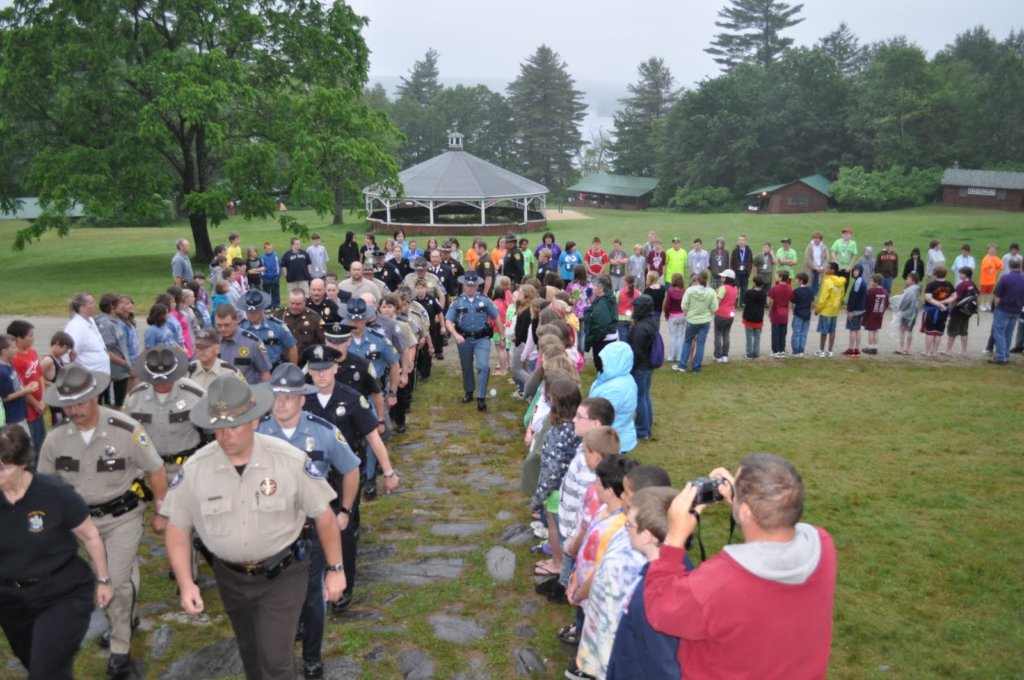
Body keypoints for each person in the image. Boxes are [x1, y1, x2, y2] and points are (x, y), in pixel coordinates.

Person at [162, 375, 344, 680]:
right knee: (251, 655)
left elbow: (323, 516)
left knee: (275, 660)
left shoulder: (288, 460)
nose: (225, 436)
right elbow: (177, 529)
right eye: (218, 427)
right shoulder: (196, 469)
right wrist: (186, 582)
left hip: (283, 575)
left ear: (254, 421)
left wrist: (335, 569)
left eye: (234, 425)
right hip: (230, 577)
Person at [645, 454, 837, 679]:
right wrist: (745, 502)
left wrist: (673, 541)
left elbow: (660, 609)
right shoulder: (822, 546)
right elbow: (776, 527)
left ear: (745, 511)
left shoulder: (718, 583)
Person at [37, 363, 168, 679]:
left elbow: (156, 468)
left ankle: (120, 645)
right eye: (68, 404)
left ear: (95, 396)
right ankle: (128, 617)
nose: (73, 410)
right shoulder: (56, 439)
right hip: (83, 524)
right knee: (119, 572)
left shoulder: (126, 429)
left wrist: (161, 510)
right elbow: (44, 485)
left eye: (80, 402)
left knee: (115, 580)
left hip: (123, 516)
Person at [256, 363, 360, 679]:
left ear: (303, 399)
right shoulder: (257, 433)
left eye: (289, 397)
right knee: (273, 595)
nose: (281, 403)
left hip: (310, 528)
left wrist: (344, 510)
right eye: (276, 396)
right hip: (270, 529)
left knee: (313, 595)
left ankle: (312, 655)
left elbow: (351, 469)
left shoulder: (323, 432)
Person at [0, 425, 114, 680]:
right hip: (10, 599)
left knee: (43, 672)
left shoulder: (55, 494)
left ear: (22, 464)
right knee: (39, 665)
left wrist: (104, 579)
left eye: (3, 468)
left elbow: (90, 536)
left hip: (61, 593)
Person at [304, 344, 400, 600]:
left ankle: (343, 584)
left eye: (326, 368)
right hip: (309, 476)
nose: (321, 374)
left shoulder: (350, 398)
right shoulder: (301, 400)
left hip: (343, 475)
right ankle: (314, 582)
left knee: (343, 529)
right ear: (309, 371)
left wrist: (388, 472)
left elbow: (372, 436)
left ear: (336, 368)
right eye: (316, 369)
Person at [606, 486, 683, 680]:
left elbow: (662, 666)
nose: (626, 527)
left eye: (629, 524)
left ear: (647, 536)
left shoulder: (651, 598)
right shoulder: (680, 566)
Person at [125, 347, 205, 472]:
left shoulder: (195, 395)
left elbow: (210, 431)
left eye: (166, 379)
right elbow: (126, 435)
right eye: (156, 380)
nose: (161, 384)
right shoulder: (135, 398)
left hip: (187, 468)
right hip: (149, 471)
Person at [445, 271, 500, 411]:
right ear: (463, 285)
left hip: (482, 339)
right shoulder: (457, 302)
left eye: (473, 285)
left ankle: (481, 397)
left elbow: (497, 317)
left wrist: (503, 336)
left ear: (477, 286)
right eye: (468, 285)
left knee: (483, 366)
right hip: (464, 339)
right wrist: (455, 335)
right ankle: (469, 391)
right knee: (467, 366)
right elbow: (448, 321)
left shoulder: (485, 301)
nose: (470, 288)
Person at [588, 341, 637, 453]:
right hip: (619, 434)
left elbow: (599, 415)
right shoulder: (624, 378)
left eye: (606, 359)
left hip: (609, 440)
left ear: (615, 361)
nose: (602, 362)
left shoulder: (614, 389)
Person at [5, 321, 44, 451]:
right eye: (30, 335)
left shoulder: (32, 352)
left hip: (39, 407)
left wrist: (42, 399)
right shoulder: (15, 361)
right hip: (28, 411)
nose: (33, 338)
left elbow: (40, 375)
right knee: (30, 447)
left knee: (41, 444)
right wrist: (36, 404)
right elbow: (19, 387)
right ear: (18, 338)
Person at [213, 303, 272, 383]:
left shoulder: (252, 343)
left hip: (248, 389)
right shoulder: (213, 342)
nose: (222, 329)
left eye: (226, 325)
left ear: (237, 320)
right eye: (219, 325)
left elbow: (265, 374)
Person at [238, 289, 298, 368]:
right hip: (250, 370)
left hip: (274, 369)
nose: (252, 314)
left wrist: (292, 369)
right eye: (249, 311)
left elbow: (292, 347)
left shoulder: (277, 326)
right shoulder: (240, 328)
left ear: (263, 309)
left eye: (255, 311)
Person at [629, 295, 659, 441]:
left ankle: (642, 430)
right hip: (648, 365)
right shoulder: (651, 322)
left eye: (635, 307)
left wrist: (630, 367)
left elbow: (637, 351)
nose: (633, 310)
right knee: (645, 396)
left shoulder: (641, 328)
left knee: (640, 398)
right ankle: (647, 427)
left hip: (641, 366)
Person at [677, 270, 718, 373]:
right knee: (701, 344)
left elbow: (683, 306)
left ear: (698, 279)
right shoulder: (711, 292)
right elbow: (715, 308)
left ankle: (682, 365)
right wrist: (708, 312)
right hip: (705, 321)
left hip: (692, 320)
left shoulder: (690, 291)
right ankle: (696, 367)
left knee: (687, 342)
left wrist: (689, 311)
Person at [0, 335, 37, 437]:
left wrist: (26, 387)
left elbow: (15, 387)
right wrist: (24, 392)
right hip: (12, 418)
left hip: (20, 413)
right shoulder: (2, 372)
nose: (16, 349)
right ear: (4, 351)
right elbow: (3, 398)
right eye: (13, 347)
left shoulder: (10, 364)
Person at [64, 292, 110, 374]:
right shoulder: (77, 328)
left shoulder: (90, 320)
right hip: (87, 375)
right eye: (91, 303)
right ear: (82, 308)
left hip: (100, 374)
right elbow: (68, 354)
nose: (95, 305)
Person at [991, 257, 1024, 364]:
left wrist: (996, 307)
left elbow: (997, 296)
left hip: (1003, 308)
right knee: (1009, 332)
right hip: (1017, 309)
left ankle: (1001, 356)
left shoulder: (1005, 278)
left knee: (999, 332)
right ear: (1020, 265)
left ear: (1009, 265)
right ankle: (1005, 355)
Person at [583, 275, 618, 373]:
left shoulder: (603, 304)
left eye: (595, 286)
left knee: (602, 366)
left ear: (601, 289)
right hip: (607, 337)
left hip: (603, 340)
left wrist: (594, 338)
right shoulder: (607, 298)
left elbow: (601, 325)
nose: (593, 288)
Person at [921, 265, 956, 358]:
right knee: (938, 332)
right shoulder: (949, 284)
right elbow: (954, 296)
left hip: (932, 311)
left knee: (930, 331)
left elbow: (928, 298)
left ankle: (928, 352)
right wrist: (944, 302)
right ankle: (934, 352)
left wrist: (938, 304)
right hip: (944, 311)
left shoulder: (931, 284)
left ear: (935, 274)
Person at [943, 267, 978, 357]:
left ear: (965, 274)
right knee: (964, 331)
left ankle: (948, 350)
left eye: (961, 273)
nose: (959, 275)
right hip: (967, 312)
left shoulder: (962, 285)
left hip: (958, 311)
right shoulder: (972, 284)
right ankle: (964, 351)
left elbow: (956, 299)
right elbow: (977, 294)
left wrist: (950, 310)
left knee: (952, 331)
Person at [814, 263, 846, 358]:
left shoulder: (827, 281)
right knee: (832, 331)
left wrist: (818, 309)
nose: (825, 269)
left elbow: (823, 298)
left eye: (827, 268)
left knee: (824, 331)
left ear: (832, 270)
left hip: (826, 310)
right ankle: (830, 351)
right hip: (834, 310)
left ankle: (821, 350)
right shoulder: (841, 281)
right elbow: (841, 294)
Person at [713, 269, 737, 363]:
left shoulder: (723, 288)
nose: (721, 278)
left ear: (728, 278)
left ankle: (718, 355)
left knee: (718, 334)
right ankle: (725, 355)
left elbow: (717, 302)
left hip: (721, 314)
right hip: (730, 315)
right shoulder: (735, 288)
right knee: (726, 334)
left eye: (723, 277)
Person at [895, 272, 922, 356]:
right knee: (910, 330)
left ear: (914, 281)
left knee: (902, 329)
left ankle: (901, 347)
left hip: (907, 312)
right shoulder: (917, 289)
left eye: (908, 279)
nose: (906, 280)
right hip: (914, 312)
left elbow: (906, 301)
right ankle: (908, 348)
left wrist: (900, 308)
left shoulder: (910, 290)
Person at [862, 273, 889, 356]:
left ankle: (870, 347)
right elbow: (886, 304)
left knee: (870, 330)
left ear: (876, 283)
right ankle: (875, 347)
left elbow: (866, 302)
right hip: (879, 313)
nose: (870, 283)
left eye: (872, 281)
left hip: (871, 313)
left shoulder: (870, 291)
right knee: (876, 330)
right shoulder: (885, 292)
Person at [843, 265, 867, 357]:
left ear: (860, 271)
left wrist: (850, 310)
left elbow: (854, 297)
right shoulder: (862, 281)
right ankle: (857, 350)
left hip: (855, 310)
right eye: (854, 270)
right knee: (858, 329)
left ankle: (851, 350)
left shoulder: (858, 282)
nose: (854, 272)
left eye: (857, 270)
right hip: (861, 309)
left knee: (853, 329)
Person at [768, 270, 793, 358]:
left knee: (775, 333)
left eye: (777, 276)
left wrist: (769, 312)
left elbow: (771, 302)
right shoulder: (789, 288)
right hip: (785, 314)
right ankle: (782, 350)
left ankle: (775, 351)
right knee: (783, 333)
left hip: (776, 313)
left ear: (781, 278)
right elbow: (790, 301)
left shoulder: (775, 288)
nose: (775, 277)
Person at [741, 275, 767, 359]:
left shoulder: (749, 292)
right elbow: (764, 304)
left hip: (749, 317)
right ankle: (756, 353)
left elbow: (744, 303)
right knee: (757, 337)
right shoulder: (764, 293)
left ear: (754, 283)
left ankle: (749, 353)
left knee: (749, 337)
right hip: (759, 318)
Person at [663, 273, 686, 364]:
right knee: (680, 336)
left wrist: (666, 315)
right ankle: (679, 356)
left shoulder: (670, 291)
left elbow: (667, 305)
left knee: (673, 336)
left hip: (672, 316)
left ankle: (671, 356)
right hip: (682, 315)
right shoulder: (684, 291)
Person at [803, 231, 828, 298]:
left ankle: (814, 298)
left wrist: (822, 267)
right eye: (815, 238)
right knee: (808, 284)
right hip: (810, 269)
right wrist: (815, 267)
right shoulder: (809, 247)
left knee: (817, 284)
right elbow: (807, 258)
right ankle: (808, 298)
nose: (816, 240)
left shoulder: (824, 247)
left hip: (820, 269)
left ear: (820, 239)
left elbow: (826, 258)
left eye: (817, 238)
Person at [979, 243, 1002, 311]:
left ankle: (987, 303)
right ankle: (982, 304)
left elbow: (1000, 266)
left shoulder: (996, 258)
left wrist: (995, 259)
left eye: (994, 250)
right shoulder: (985, 258)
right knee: (983, 293)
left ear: (996, 251)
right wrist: (990, 262)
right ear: (988, 250)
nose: (992, 251)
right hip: (984, 280)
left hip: (992, 280)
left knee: (990, 292)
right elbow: (984, 267)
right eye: (991, 249)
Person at [730, 235, 753, 305]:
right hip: (736, 274)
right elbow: (732, 262)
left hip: (745, 274)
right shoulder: (735, 251)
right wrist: (732, 273)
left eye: (742, 240)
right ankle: (734, 303)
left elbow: (750, 262)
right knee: (735, 289)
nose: (740, 241)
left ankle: (742, 303)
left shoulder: (749, 251)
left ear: (746, 241)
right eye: (739, 240)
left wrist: (749, 271)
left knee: (744, 289)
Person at [261, 241, 283, 311]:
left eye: (270, 248)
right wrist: (263, 276)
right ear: (265, 249)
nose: (269, 250)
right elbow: (261, 267)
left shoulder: (276, 256)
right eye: (268, 249)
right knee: (266, 293)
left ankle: (276, 305)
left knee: (275, 292)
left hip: (275, 278)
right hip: (266, 278)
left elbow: (278, 266)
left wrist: (278, 276)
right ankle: (267, 307)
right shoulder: (262, 257)